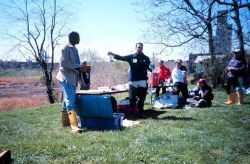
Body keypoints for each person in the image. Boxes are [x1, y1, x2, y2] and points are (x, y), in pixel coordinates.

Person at [107, 42, 152, 118]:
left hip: (143, 81)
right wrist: (113, 54)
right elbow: (122, 58)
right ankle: (132, 113)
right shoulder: (131, 57)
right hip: (133, 81)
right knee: (132, 98)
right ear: (135, 48)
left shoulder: (146, 58)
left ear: (142, 48)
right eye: (138, 47)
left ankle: (141, 112)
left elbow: (150, 68)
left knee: (142, 99)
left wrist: (152, 67)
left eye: (141, 47)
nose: (139, 48)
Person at [56, 31, 82, 133]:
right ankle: (74, 125)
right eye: (78, 37)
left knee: (67, 99)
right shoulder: (65, 48)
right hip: (66, 78)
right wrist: (79, 66)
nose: (79, 39)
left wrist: (82, 65)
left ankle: (65, 122)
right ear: (72, 38)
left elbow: (74, 63)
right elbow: (64, 63)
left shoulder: (75, 49)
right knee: (71, 101)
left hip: (72, 78)